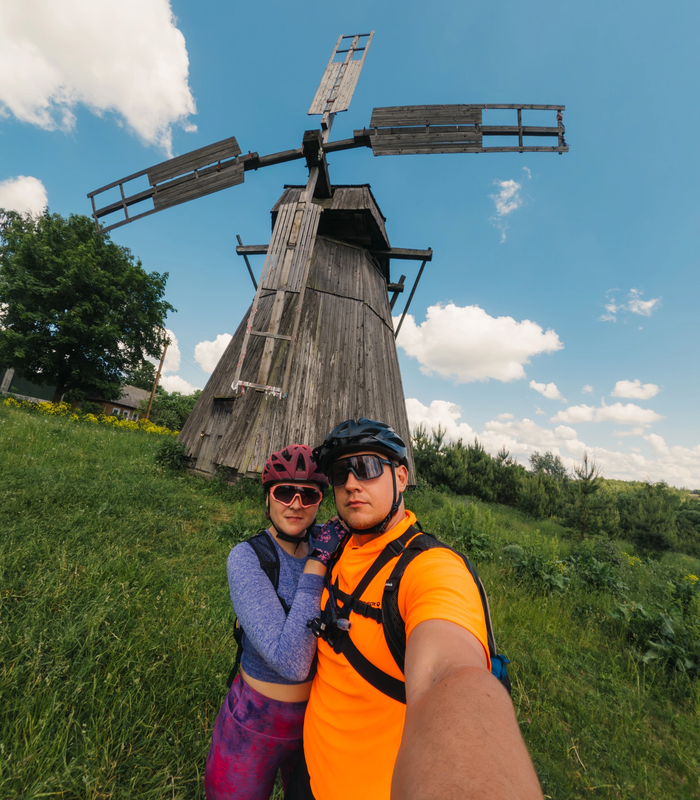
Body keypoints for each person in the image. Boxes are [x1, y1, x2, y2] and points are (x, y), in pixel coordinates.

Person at [286, 419, 543, 800]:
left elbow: (449, 674)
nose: (352, 483)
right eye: (341, 474)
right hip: (307, 773)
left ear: (401, 477)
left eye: (367, 467)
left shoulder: (430, 569)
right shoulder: (337, 548)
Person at [205, 444, 346, 800]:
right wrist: (316, 564)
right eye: (284, 492)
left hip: (318, 721)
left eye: (308, 495)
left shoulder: (333, 546)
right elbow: (291, 663)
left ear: (320, 502)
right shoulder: (247, 557)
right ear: (267, 497)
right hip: (254, 721)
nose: (296, 504)